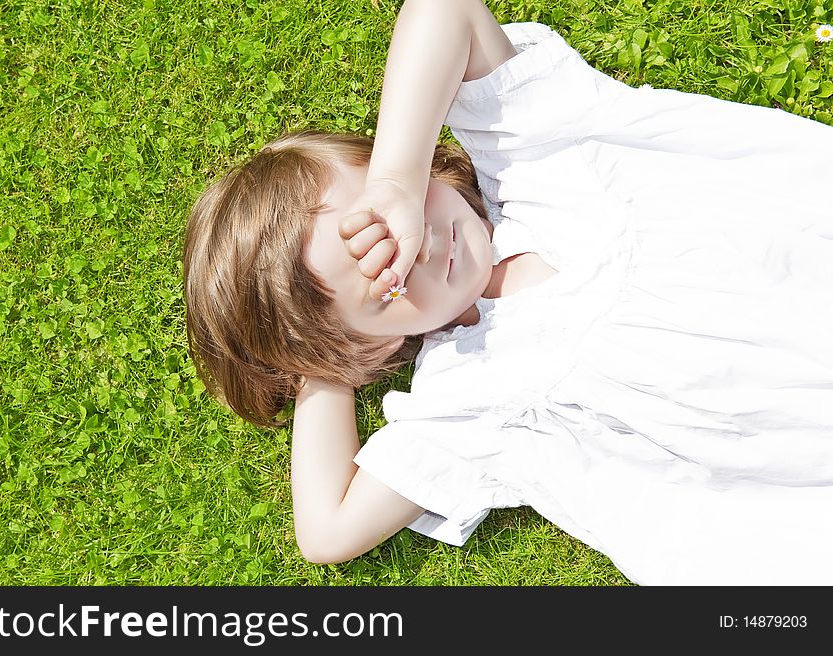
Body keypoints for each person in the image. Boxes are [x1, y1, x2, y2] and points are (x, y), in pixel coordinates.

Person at [182, 0, 833, 584]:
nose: (420, 250)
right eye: (385, 288)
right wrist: (327, 371)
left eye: (383, 229)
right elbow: (327, 530)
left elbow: (445, 11)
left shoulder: (530, 151)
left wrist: (396, 182)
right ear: (372, 348)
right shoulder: (474, 390)